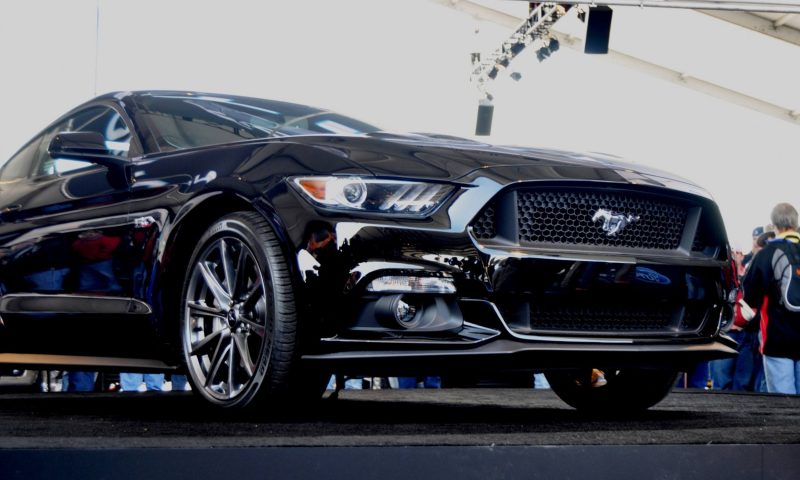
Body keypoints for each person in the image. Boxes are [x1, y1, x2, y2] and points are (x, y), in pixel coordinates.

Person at [741, 203, 800, 394]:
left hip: (777, 339)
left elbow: (750, 298)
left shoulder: (766, 254)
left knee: (784, 405)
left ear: (774, 224)